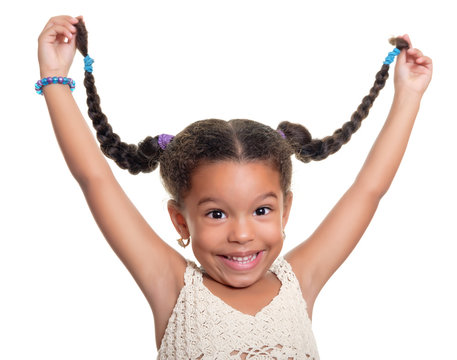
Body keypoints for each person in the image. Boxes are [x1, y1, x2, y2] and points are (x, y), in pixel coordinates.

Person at [37, 15, 432, 359]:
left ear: (285, 210)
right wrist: (55, 78)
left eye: (262, 210)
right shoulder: (172, 287)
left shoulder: (300, 281)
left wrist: (409, 94)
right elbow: (95, 179)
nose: (242, 234)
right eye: (216, 213)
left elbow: (368, 189)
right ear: (180, 221)